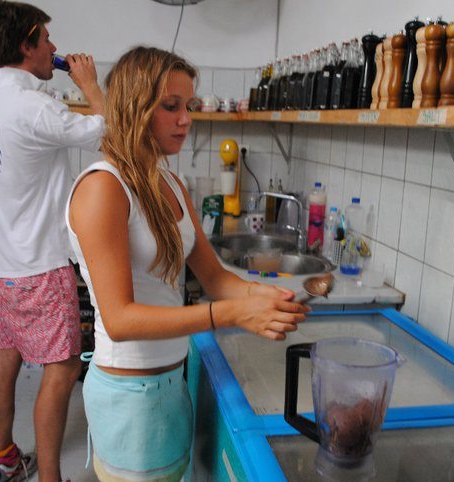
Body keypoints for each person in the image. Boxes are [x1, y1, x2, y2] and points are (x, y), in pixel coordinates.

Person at [66, 46, 310, 482]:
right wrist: (231, 314)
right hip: (129, 394)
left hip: (170, 383)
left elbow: (215, 277)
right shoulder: (103, 188)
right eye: (171, 106)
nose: (186, 119)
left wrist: (269, 297)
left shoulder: (170, 184)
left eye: (189, 106)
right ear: (135, 107)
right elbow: (120, 319)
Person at [0, 1, 106, 481]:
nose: (55, 49)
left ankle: (4, 460)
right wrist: (90, 85)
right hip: (37, 266)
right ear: (27, 43)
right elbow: (110, 131)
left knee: (7, 354)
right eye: (48, 40)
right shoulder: (39, 108)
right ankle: (50, 479)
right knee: (62, 368)